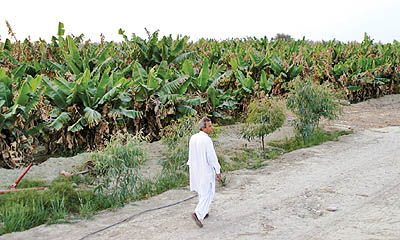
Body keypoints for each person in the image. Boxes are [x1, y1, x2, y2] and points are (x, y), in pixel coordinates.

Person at [187, 117, 222, 228]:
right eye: (210, 126)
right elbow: (212, 157)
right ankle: (198, 213)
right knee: (208, 193)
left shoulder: (193, 138)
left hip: (196, 169)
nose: (212, 128)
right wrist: (217, 170)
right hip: (205, 170)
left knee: (202, 192)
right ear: (203, 128)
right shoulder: (206, 140)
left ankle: (204, 211)